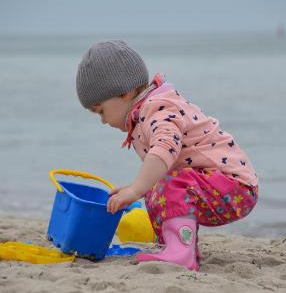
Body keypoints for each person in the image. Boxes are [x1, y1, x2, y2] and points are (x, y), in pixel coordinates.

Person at [76, 40, 259, 271]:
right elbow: (160, 169)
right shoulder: (144, 111)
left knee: (163, 185)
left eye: (101, 111)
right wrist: (137, 187)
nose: (103, 120)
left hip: (235, 187)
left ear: (125, 92)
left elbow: (164, 148)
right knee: (155, 187)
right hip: (213, 184)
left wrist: (135, 189)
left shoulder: (158, 107)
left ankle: (180, 252)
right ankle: (177, 247)